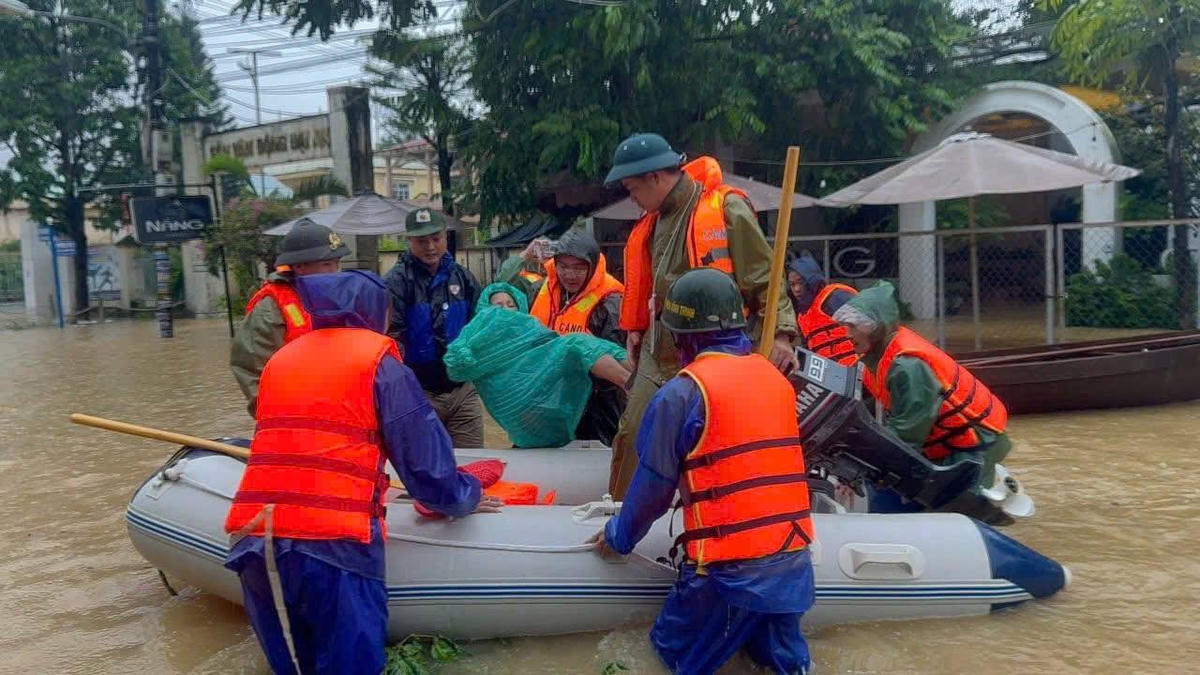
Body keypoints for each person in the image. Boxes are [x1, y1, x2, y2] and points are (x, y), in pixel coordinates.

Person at [223, 270, 501, 675]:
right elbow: (425, 467)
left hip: (255, 542)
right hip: (334, 545)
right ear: (375, 312)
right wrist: (466, 496)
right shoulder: (379, 364)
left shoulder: (281, 361)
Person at [593, 268, 815, 675]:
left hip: (728, 575)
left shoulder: (681, 393)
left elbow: (653, 489)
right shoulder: (776, 379)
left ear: (681, 335)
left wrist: (618, 537)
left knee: (669, 656)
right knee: (781, 665)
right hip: (792, 562)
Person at [605, 132, 799, 497]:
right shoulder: (652, 221)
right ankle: (619, 520)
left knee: (716, 441)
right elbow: (650, 284)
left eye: (632, 188)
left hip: (717, 352)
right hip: (658, 350)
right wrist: (635, 330)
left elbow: (765, 280)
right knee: (632, 433)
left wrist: (783, 335)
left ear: (655, 178)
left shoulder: (726, 209)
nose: (631, 197)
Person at [833, 281, 1012, 521]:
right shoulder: (874, 360)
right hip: (947, 444)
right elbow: (863, 414)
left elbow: (906, 434)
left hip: (975, 444)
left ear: (875, 328)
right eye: (847, 327)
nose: (848, 335)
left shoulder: (907, 366)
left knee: (966, 515)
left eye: (853, 327)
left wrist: (863, 473)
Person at [384, 207, 484, 447]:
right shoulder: (395, 282)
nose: (430, 247)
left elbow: (480, 327)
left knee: (473, 465)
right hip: (420, 393)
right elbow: (390, 337)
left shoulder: (463, 278)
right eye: (422, 241)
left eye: (436, 239)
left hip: (463, 392)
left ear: (445, 237)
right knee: (427, 467)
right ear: (409, 241)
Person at [230, 218, 349, 416]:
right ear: (300, 267)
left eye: (337, 263)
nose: (334, 271)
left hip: (341, 408)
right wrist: (280, 418)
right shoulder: (270, 309)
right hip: (297, 414)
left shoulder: (342, 298)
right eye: (327, 264)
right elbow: (252, 372)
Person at [531, 229, 627, 445]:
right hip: (550, 399)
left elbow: (613, 363)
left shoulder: (610, 302)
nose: (569, 275)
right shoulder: (543, 289)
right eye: (563, 266)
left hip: (596, 407)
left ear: (592, 267)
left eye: (578, 268)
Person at [788, 251, 859, 365]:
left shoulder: (835, 297)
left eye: (800, 282)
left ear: (812, 279)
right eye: (792, 284)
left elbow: (866, 325)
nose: (796, 289)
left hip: (857, 369)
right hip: (828, 376)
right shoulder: (803, 315)